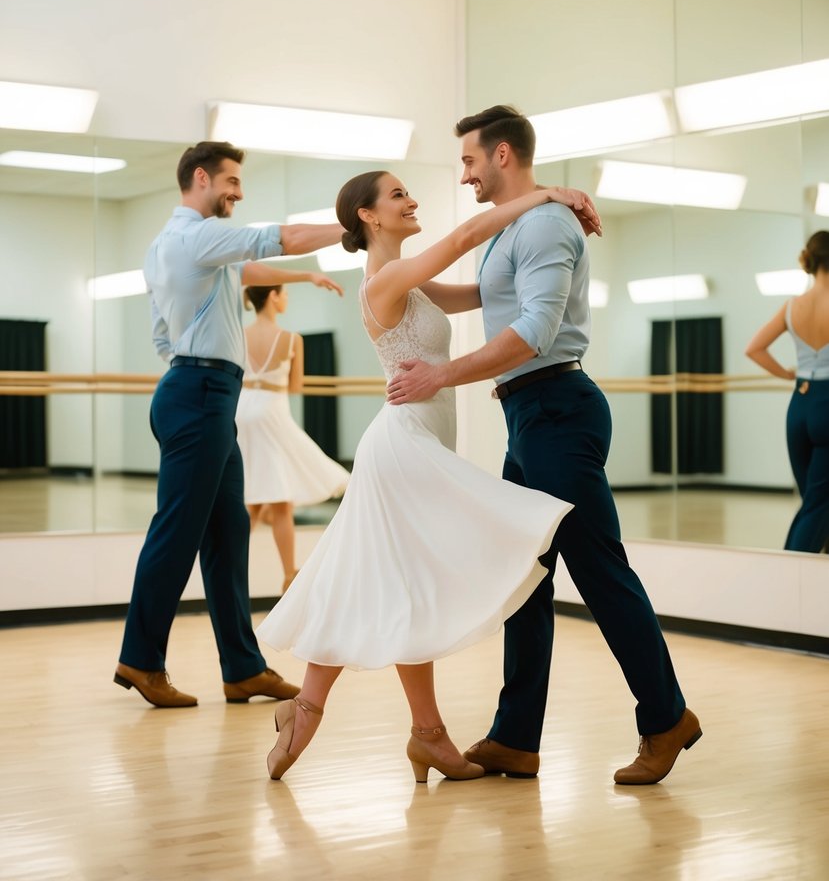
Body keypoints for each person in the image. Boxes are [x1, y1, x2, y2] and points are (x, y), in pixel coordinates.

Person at [387, 105, 701, 786]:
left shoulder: (548, 226)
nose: (464, 174)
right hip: (528, 417)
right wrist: (384, 264)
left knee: (601, 574)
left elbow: (531, 331)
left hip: (558, 409)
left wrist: (440, 373)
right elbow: (473, 294)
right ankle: (515, 738)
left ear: (502, 155)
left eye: (469, 161)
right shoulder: (515, 229)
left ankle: (665, 718)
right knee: (523, 580)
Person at [255, 171, 598, 782]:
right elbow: (467, 232)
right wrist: (547, 195)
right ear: (369, 216)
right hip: (404, 445)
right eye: (398, 195)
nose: (411, 201)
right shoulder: (384, 282)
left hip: (416, 439)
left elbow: (481, 292)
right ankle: (386, 726)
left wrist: (548, 262)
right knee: (456, 554)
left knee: (385, 584)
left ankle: (375, 725)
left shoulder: (411, 284)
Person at [114, 140, 345, 709]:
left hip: (198, 390)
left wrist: (306, 277)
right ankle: (141, 659)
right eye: (232, 182)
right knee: (177, 532)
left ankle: (241, 667)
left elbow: (243, 274)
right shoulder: (200, 235)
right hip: (200, 393)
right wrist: (354, 224)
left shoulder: (168, 246)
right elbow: (279, 238)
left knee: (226, 533)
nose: (239, 193)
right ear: (201, 178)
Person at [237, 283, 348, 593]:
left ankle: (232, 569)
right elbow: (296, 385)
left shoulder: (239, 335)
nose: (287, 298)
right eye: (284, 293)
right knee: (279, 498)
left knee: (254, 496)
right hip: (271, 411)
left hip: (241, 411)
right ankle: (289, 574)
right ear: (272, 296)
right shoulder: (291, 339)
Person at [745, 230, 829, 553]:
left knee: (814, 499)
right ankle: (789, 573)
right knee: (817, 505)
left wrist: (787, 374)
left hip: (799, 407)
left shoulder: (793, 306)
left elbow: (754, 348)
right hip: (826, 408)